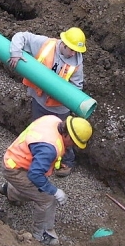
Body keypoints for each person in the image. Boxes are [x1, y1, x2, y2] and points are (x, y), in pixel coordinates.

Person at [0, 115, 93, 246]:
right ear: (68, 136)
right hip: (16, 169)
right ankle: (42, 235)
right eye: (74, 143)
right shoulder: (49, 149)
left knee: (37, 191)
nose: (73, 147)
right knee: (47, 198)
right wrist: (54, 191)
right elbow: (35, 175)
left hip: (16, 159)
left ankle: (11, 191)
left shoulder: (53, 120)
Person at [8, 27, 87, 176]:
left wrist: (61, 92)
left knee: (64, 137)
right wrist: (15, 52)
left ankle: (68, 162)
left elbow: (77, 87)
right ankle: (38, 158)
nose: (73, 53)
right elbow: (21, 36)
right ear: (63, 43)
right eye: (71, 49)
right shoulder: (46, 44)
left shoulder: (77, 64)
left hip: (59, 108)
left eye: (76, 51)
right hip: (39, 101)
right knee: (39, 131)